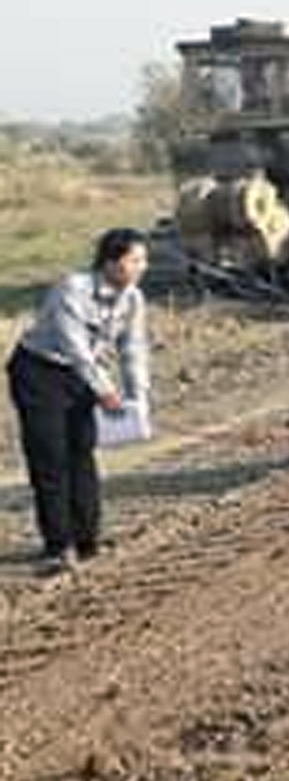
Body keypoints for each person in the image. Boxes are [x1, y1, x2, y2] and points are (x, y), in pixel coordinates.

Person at [8, 228, 151, 575]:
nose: (142, 267)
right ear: (111, 262)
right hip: (40, 372)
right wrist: (105, 391)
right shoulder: (72, 289)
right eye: (135, 260)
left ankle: (87, 539)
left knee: (81, 451)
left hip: (81, 376)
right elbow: (75, 348)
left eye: (143, 260)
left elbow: (133, 348)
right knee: (50, 457)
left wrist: (138, 396)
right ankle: (59, 545)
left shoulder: (132, 298)